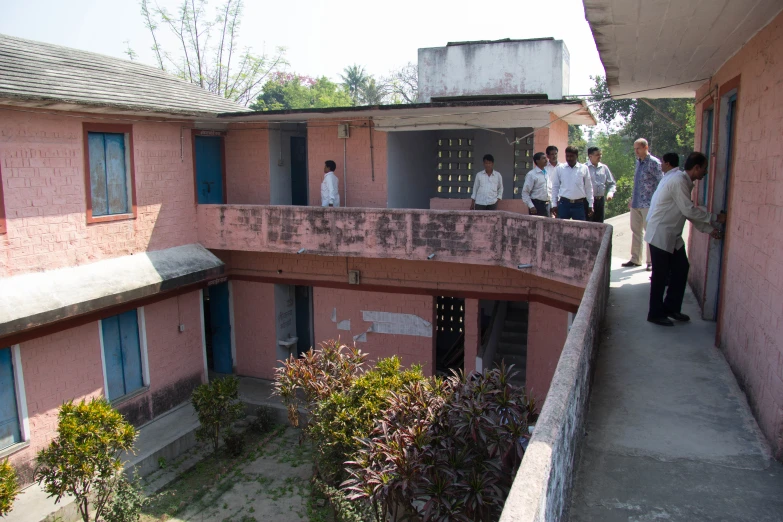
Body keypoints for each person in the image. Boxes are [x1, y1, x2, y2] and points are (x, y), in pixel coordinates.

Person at [645, 152, 726, 326]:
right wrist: (714, 218)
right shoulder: (679, 181)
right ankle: (655, 313)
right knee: (660, 276)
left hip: (671, 235)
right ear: (696, 168)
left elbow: (687, 212)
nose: (705, 173)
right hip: (660, 233)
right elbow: (689, 211)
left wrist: (709, 229)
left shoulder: (682, 181)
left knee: (681, 268)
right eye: (704, 169)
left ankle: (671, 308)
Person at [622, 138, 663, 270]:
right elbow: (638, 182)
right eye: (635, 149)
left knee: (649, 232)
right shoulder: (638, 162)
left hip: (648, 203)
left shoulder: (654, 163)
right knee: (636, 231)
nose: (636, 152)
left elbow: (661, 182)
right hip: (636, 202)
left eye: (638, 149)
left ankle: (651, 262)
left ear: (645, 147)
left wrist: (657, 201)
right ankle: (635, 259)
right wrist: (632, 198)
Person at [551, 146, 593, 221]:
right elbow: (555, 187)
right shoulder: (560, 168)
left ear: (576, 156)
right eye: (567, 156)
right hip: (564, 204)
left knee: (580, 228)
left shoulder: (584, 168)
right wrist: (554, 204)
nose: (569, 158)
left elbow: (588, 187)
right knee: (560, 227)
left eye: (571, 156)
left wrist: (591, 204)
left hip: (579, 204)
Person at [585, 146, 616, 223]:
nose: (600, 157)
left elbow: (612, 183)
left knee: (599, 225)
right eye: (597, 155)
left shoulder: (604, 168)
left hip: (600, 200)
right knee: (588, 224)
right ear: (590, 156)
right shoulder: (584, 168)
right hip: (588, 201)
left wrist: (610, 193)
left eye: (600, 154)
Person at [520, 152, 551, 217]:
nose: (546, 160)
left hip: (547, 205)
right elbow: (525, 192)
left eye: (546, 158)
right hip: (537, 205)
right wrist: (531, 206)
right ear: (537, 161)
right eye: (543, 158)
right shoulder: (532, 174)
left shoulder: (548, 172)